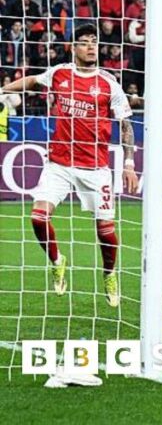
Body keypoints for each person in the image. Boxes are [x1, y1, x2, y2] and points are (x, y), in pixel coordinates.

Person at [1, 24, 138, 307]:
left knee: (107, 231)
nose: (91, 47)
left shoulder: (108, 82)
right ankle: (57, 261)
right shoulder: (60, 73)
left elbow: (125, 124)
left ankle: (110, 274)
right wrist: (3, 89)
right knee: (38, 217)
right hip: (59, 163)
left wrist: (128, 162)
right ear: (73, 47)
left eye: (94, 42)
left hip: (95, 166)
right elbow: (31, 82)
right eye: (84, 42)